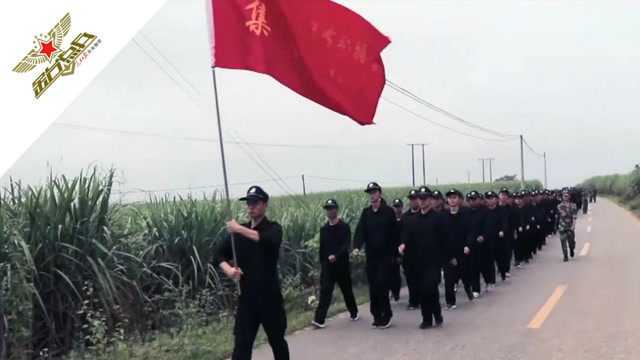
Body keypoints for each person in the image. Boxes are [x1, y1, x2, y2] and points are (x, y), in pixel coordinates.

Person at [214, 186, 290, 360]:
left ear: (265, 204)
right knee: (241, 345)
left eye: (255, 202)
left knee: (277, 341)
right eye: (248, 202)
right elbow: (217, 255)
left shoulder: (273, 228)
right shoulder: (238, 234)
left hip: (270, 299)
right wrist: (229, 270)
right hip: (247, 299)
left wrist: (238, 229)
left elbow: (265, 239)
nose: (251, 206)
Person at [399, 186, 445, 329]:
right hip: (418, 262)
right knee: (424, 291)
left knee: (429, 289)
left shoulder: (438, 218)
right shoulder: (413, 220)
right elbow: (407, 237)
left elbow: (444, 240)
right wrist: (403, 245)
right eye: (420, 198)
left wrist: (443, 261)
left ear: (431, 200)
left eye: (425, 198)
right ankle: (427, 319)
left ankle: (436, 314)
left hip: (433, 262)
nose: (422, 201)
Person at [354, 182, 398, 329]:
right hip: (371, 257)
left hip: (386, 257)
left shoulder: (388, 212)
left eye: (374, 192)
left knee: (382, 285)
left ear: (380, 193)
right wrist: (356, 247)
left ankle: (386, 314)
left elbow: (395, 234)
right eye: (370, 193)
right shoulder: (366, 213)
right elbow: (360, 231)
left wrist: (396, 252)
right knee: (373, 287)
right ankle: (376, 315)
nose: (372, 195)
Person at [312, 199, 359, 329]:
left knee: (347, 290)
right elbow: (322, 248)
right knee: (325, 292)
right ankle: (319, 319)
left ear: (336, 210)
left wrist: (336, 256)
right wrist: (322, 263)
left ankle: (354, 312)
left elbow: (346, 245)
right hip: (328, 267)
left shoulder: (344, 227)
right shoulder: (324, 229)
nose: (329, 211)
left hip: (342, 266)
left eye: (332, 208)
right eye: (327, 209)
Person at [440, 189, 474, 309]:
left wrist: (468, 245)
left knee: (464, 274)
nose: (452, 200)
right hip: (448, 252)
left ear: (459, 199)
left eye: (454, 197)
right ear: (447, 200)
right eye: (450, 198)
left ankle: (468, 288)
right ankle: (450, 302)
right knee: (449, 278)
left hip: (462, 250)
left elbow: (470, 232)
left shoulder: (466, 214)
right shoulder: (443, 216)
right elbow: (441, 235)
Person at [402, 189, 421, 310]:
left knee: (420, 277)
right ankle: (413, 300)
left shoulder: (423, 215)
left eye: (415, 198)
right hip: (408, 252)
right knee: (410, 277)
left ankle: (421, 299)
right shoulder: (405, 216)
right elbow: (401, 234)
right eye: (411, 199)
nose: (413, 201)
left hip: (421, 252)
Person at [496, 188, 515, 280]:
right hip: (497, 234)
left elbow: (513, 222)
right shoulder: (495, 208)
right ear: (499, 196)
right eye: (502, 195)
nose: (503, 197)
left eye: (505, 195)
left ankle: (506, 269)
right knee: (499, 253)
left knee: (507, 253)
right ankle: (501, 269)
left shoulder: (510, 209)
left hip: (508, 234)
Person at [389, 198, 404, 302]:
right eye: (395, 206)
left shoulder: (405, 219)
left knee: (401, 272)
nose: (397, 209)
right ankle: (394, 292)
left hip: (403, 248)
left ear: (401, 207)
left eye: (398, 206)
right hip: (392, 249)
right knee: (392, 272)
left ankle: (397, 291)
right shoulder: (390, 219)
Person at [557, 190, 579, 262]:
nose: (565, 197)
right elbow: (562, 214)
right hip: (562, 226)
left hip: (570, 226)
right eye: (564, 195)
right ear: (562, 197)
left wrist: (573, 226)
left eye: (567, 195)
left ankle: (572, 249)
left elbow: (574, 217)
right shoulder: (559, 206)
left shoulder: (573, 205)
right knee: (563, 241)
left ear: (569, 196)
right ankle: (565, 256)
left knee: (571, 242)